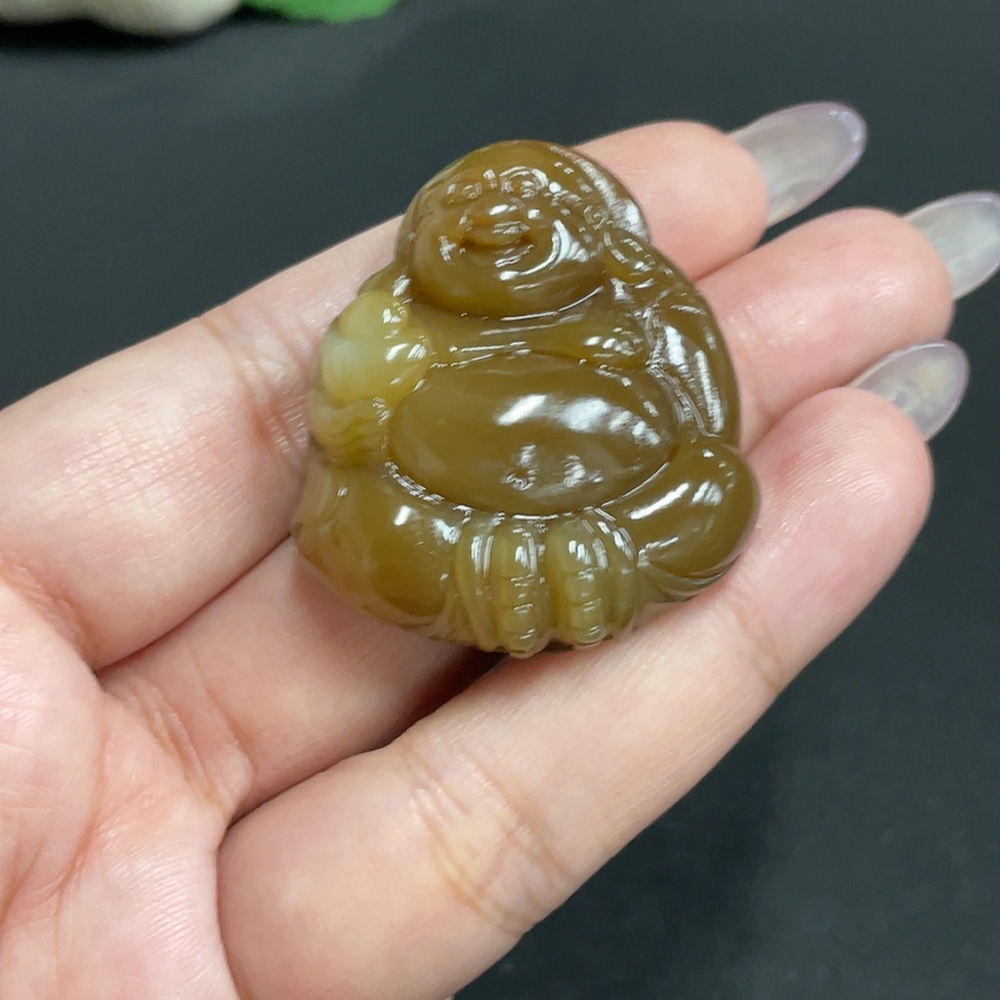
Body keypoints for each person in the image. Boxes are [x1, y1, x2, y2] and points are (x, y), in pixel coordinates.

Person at [0, 102, 992, 999]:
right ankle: (526, 572)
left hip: (624, 499)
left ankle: (582, 565)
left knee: (719, 499)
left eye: (531, 211)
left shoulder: (638, 296)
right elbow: (349, 447)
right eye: (466, 213)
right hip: (425, 522)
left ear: (592, 228)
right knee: (357, 536)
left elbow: (699, 424)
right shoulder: (393, 318)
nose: (496, 227)